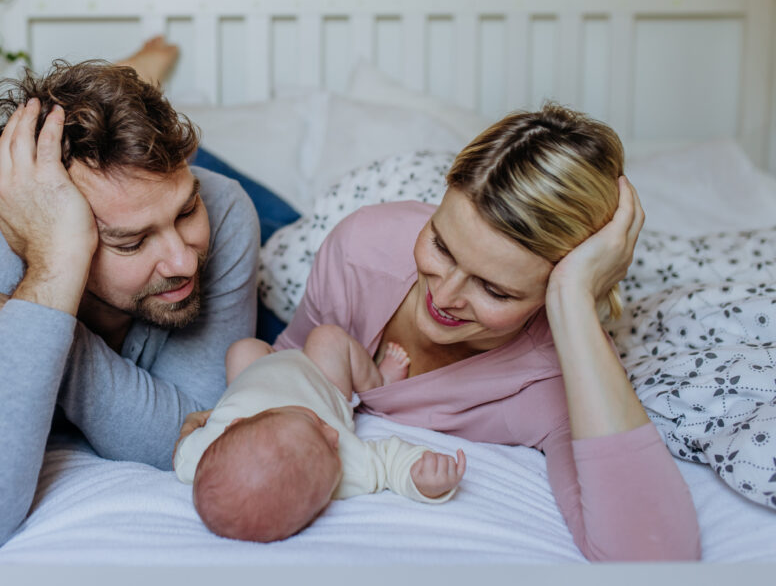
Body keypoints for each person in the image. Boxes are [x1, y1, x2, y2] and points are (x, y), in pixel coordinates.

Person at [0, 38, 261, 560]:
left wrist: (49, 340)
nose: (183, 262)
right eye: (131, 241)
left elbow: (204, 429)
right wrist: (46, 285)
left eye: (185, 211)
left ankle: (136, 75)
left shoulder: (223, 208)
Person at [272, 103, 702, 561]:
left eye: (494, 290)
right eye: (441, 244)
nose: (445, 295)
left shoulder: (554, 375)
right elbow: (286, 369)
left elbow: (656, 560)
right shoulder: (362, 248)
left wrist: (574, 300)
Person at [174, 325, 465, 542]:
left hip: (260, 368)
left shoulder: (200, 461)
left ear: (234, 424)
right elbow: (390, 460)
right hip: (320, 379)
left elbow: (181, 450)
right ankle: (378, 380)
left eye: (315, 425)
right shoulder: (346, 472)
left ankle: (370, 377)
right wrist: (423, 480)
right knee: (328, 338)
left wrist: (191, 424)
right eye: (331, 451)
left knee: (241, 349)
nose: (333, 435)